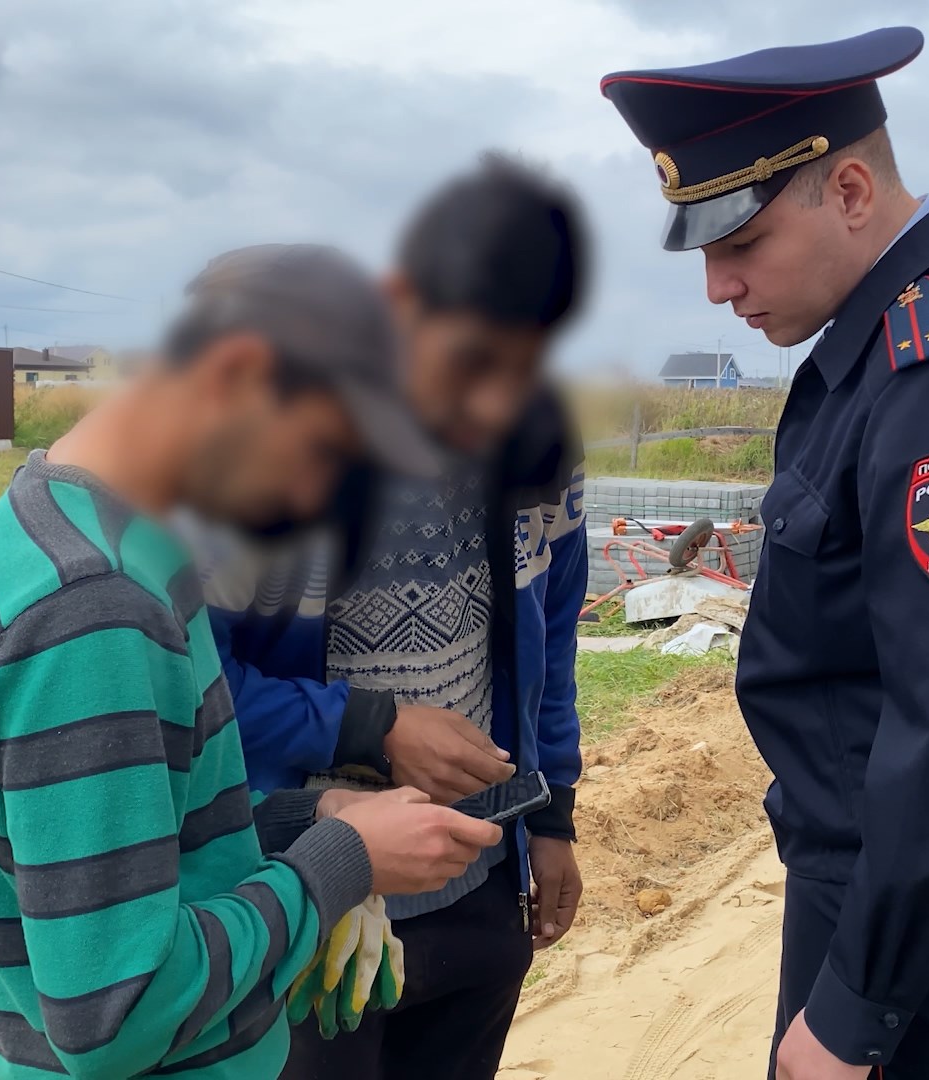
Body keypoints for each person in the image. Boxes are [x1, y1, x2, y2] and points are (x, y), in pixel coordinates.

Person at [602, 27, 929, 1080]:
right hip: (916, 870)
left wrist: (858, 1005)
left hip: (920, 888)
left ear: (848, 190)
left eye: (739, 246)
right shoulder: (905, 335)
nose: (717, 287)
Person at [0, 244, 504, 1080]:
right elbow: (117, 1014)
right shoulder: (92, 611)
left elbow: (134, 848)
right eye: (324, 454)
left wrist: (310, 818)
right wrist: (340, 866)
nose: (314, 503)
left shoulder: (82, 527)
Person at [187, 156, 591, 1080]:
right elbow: (189, 694)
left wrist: (555, 814)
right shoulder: (277, 473)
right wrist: (374, 727)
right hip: (306, 892)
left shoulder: (537, 452)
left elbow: (553, 642)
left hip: (479, 885)